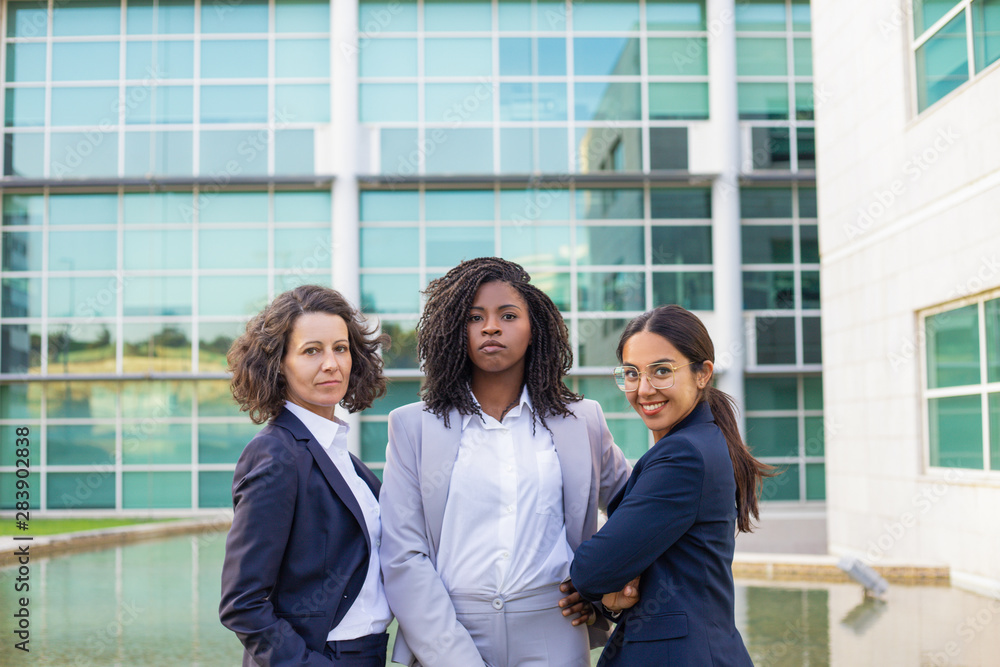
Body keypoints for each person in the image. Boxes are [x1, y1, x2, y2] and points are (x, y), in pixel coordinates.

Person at [379, 257, 631, 667]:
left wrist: (600, 594)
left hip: (555, 629)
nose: (491, 327)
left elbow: (633, 511)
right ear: (453, 331)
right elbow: (404, 555)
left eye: (508, 315)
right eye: (474, 317)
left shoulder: (582, 421)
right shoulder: (413, 427)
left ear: (535, 330)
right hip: (447, 632)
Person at [570, 305, 772, 666]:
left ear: (702, 374)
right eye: (632, 373)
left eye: (662, 371)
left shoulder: (684, 454)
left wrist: (599, 584)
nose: (644, 389)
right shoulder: (698, 441)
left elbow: (593, 569)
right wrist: (610, 596)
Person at [219, 285, 392, 666]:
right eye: (311, 350)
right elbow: (242, 603)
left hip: (368, 652)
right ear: (279, 364)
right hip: (321, 656)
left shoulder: (341, 455)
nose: (331, 363)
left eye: (340, 348)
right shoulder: (276, 454)